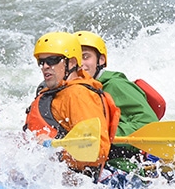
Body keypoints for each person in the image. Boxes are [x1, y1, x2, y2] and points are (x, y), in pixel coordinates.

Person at [23, 31, 119, 176]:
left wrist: (52, 148)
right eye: (41, 62)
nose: (45, 66)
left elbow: (98, 150)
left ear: (72, 62)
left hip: (73, 183)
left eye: (53, 60)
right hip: (47, 179)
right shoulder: (55, 92)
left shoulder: (78, 95)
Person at [74, 31, 159, 139]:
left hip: (127, 152)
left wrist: (104, 133)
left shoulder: (115, 85)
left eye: (86, 57)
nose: (80, 64)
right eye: (76, 58)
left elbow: (150, 124)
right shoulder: (73, 90)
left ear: (101, 60)